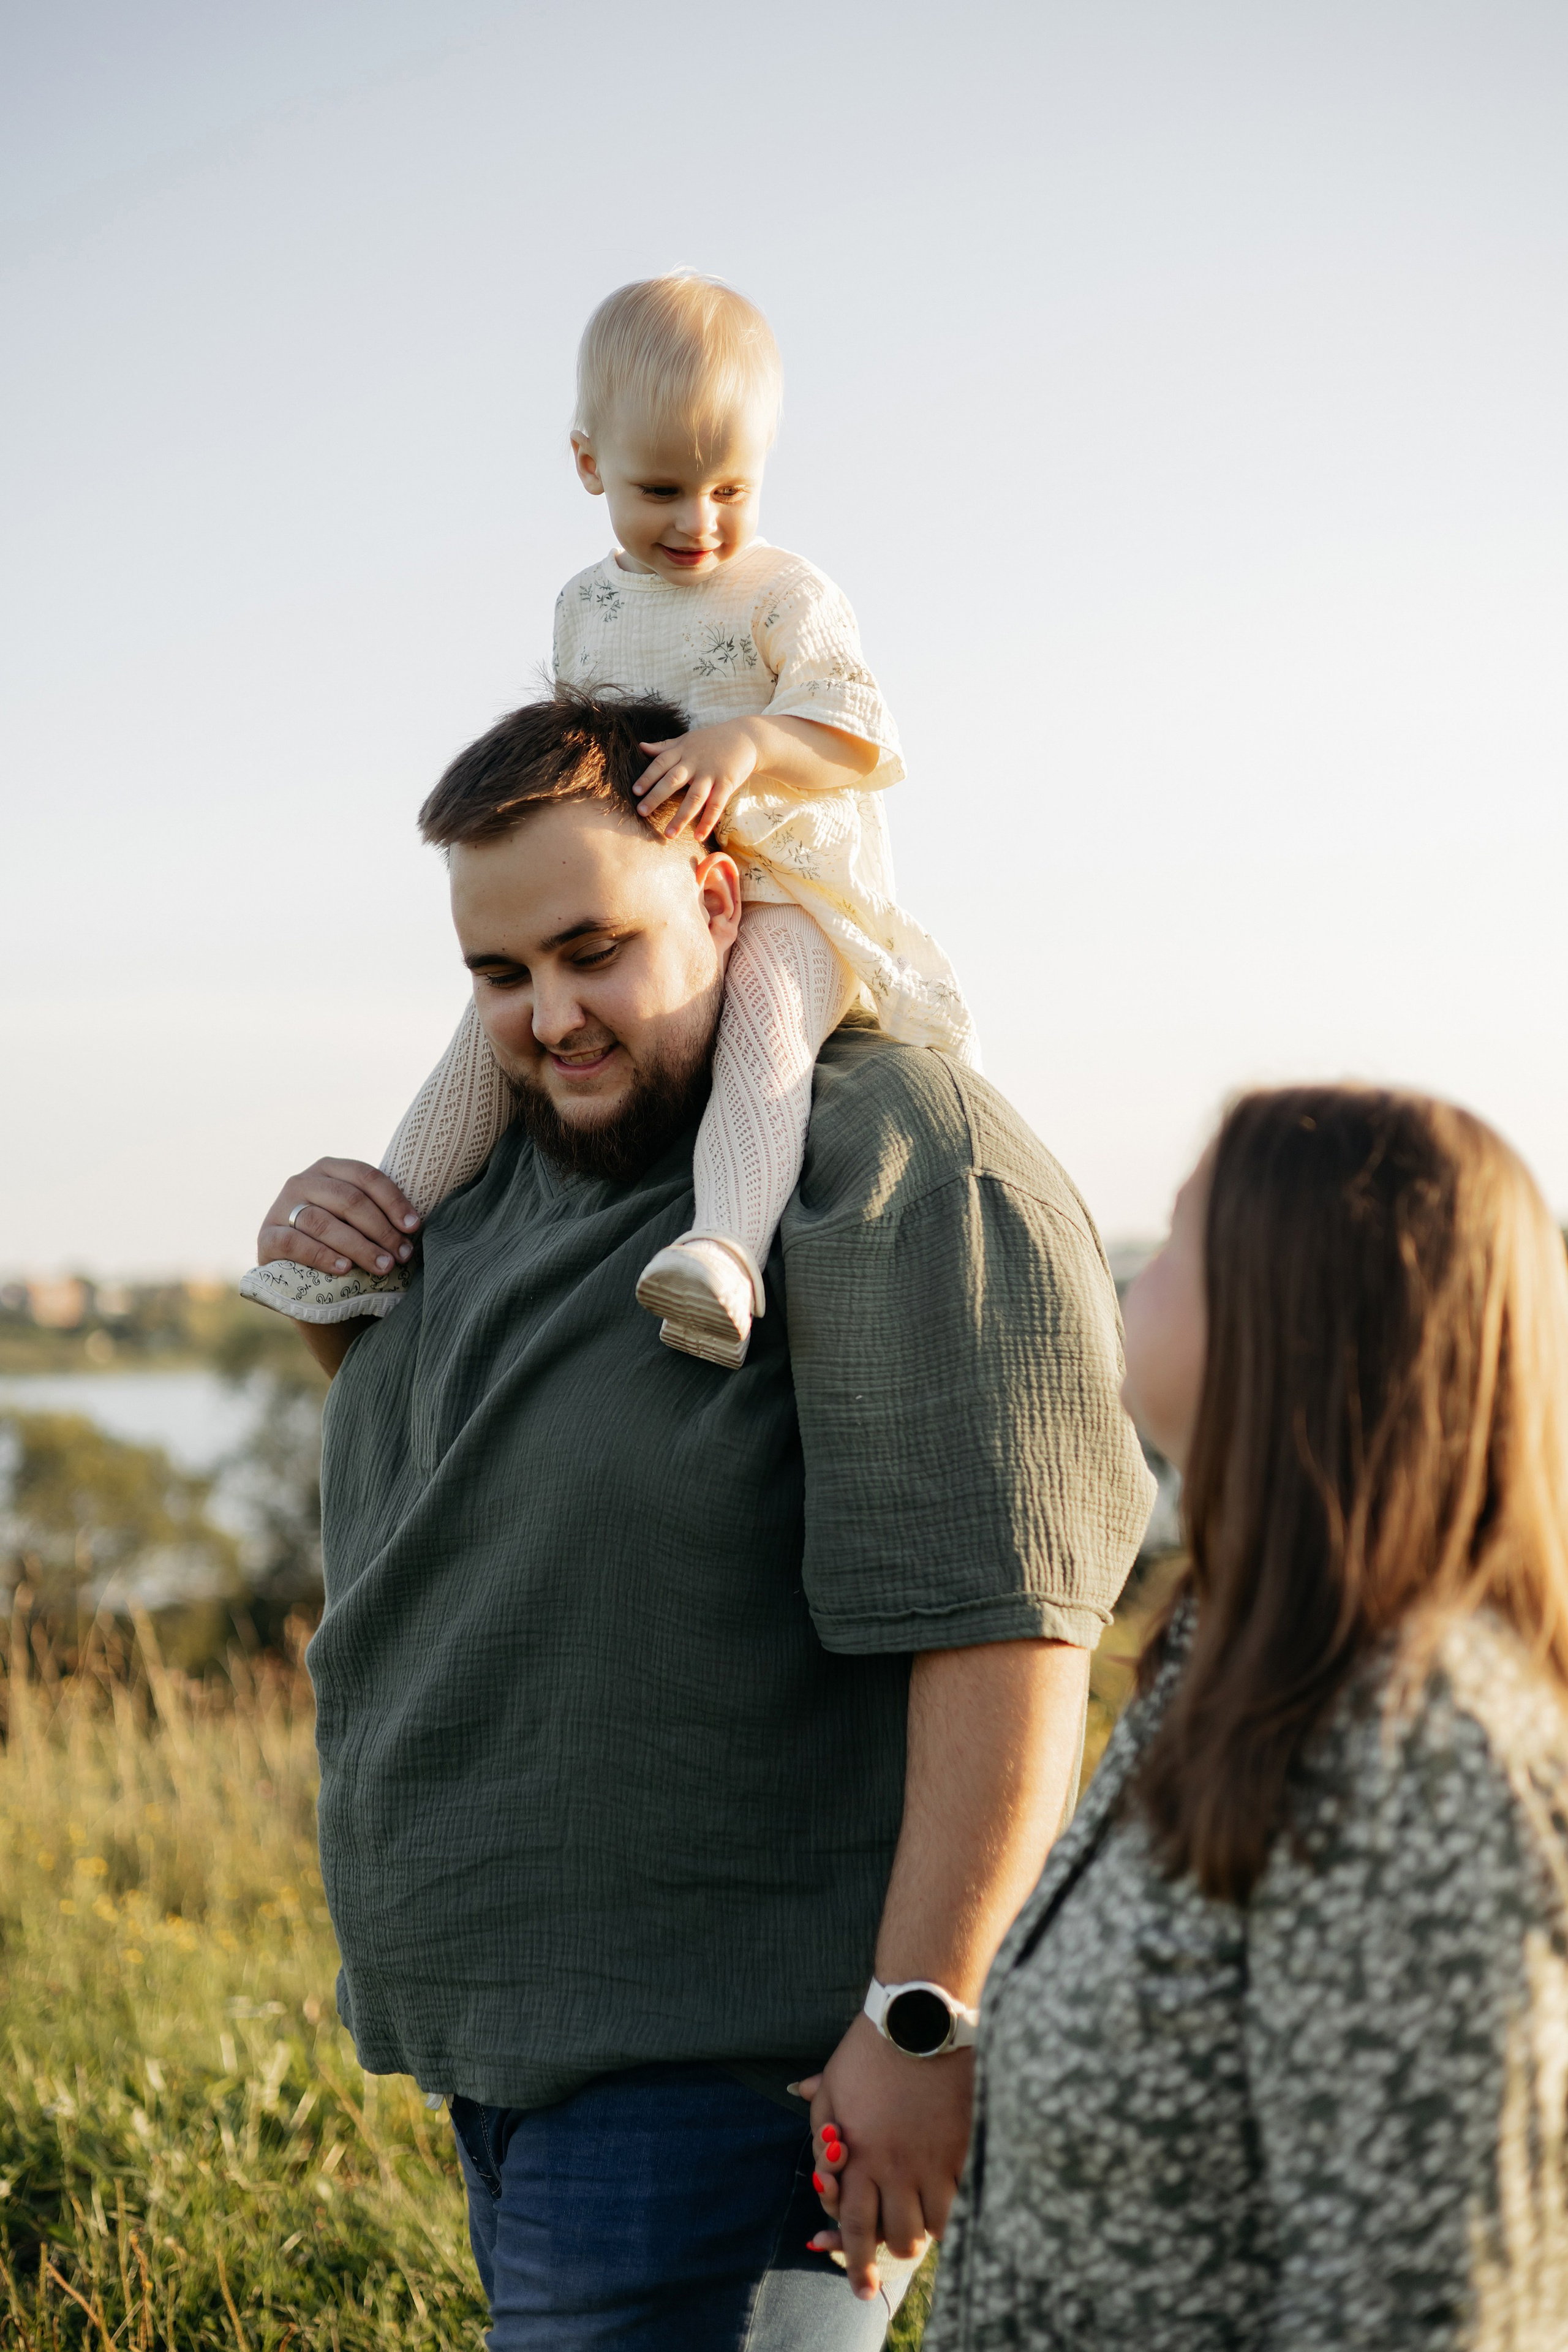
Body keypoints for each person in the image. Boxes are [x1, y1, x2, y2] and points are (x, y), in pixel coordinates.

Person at [255, 687, 1154, 2350]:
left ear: (724, 896)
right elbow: (497, 1472)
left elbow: (1009, 1624)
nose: (549, 1018)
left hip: (741, 2080)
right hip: (515, 2052)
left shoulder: (897, 1155)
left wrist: (922, 2021)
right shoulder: (521, 1169)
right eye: (501, 975)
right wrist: (341, 1283)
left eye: (596, 950)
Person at [924, 1085, 1568, 2352]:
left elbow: (1423, 2311)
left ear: (1288, 1312)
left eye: (1174, 1241)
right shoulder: (1235, 1660)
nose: (1130, 1276)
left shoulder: (1418, 1752)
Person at [241, 271, 975, 1369]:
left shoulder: (785, 595)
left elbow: (862, 739)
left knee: (767, 1036)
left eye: (733, 488)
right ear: (589, 465)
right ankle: (374, 1245)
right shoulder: (587, 603)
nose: (700, 522)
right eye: (664, 488)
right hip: (657, 876)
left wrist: (753, 742)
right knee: (477, 1052)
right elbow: (578, 753)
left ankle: (721, 1247)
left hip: (780, 882)